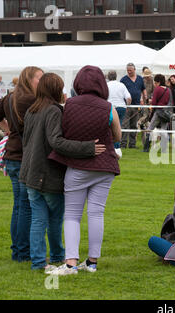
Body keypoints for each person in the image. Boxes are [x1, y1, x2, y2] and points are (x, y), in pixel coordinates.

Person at [19, 73, 106, 271]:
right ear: (56, 90)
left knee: (38, 220)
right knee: (56, 219)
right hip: (46, 175)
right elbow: (56, 142)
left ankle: (39, 262)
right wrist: (87, 148)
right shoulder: (53, 111)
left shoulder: (32, 110)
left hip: (30, 173)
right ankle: (58, 256)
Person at [47, 65, 121, 275]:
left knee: (72, 215)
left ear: (78, 83)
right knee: (96, 213)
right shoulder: (108, 107)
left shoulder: (68, 104)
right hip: (105, 166)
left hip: (78, 165)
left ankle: (71, 263)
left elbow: (64, 133)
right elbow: (117, 136)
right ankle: (92, 263)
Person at [0, 66, 44, 262]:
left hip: (12, 156)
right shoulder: (33, 100)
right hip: (25, 157)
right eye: (40, 78)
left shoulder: (10, 97)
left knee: (19, 206)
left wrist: (8, 130)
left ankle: (18, 251)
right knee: (26, 206)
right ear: (29, 79)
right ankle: (23, 252)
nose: (42, 82)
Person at [120, 62, 147, 149]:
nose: (129, 72)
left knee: (134, 125)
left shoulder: (139, 79)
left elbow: (143, 89)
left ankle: (132, 145)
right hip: (127, 106)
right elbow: (120, 91)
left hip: (136, 106)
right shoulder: (123, 79)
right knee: (125, 125)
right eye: (128, 71)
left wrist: (144, 98)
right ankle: (123, 144)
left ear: (134, 70)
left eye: (130, 70)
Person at [143, 74, 172, 153]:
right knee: (164, 131)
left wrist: (151, 103)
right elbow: (170, 102)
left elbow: (154, 102)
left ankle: (146, 148)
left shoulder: (157, 89)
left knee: (150, 129)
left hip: (158, 112)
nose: (154, 84)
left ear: (158, 82)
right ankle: (164, 149)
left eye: (155, 82)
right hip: (166, 113)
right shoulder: (168, 90)